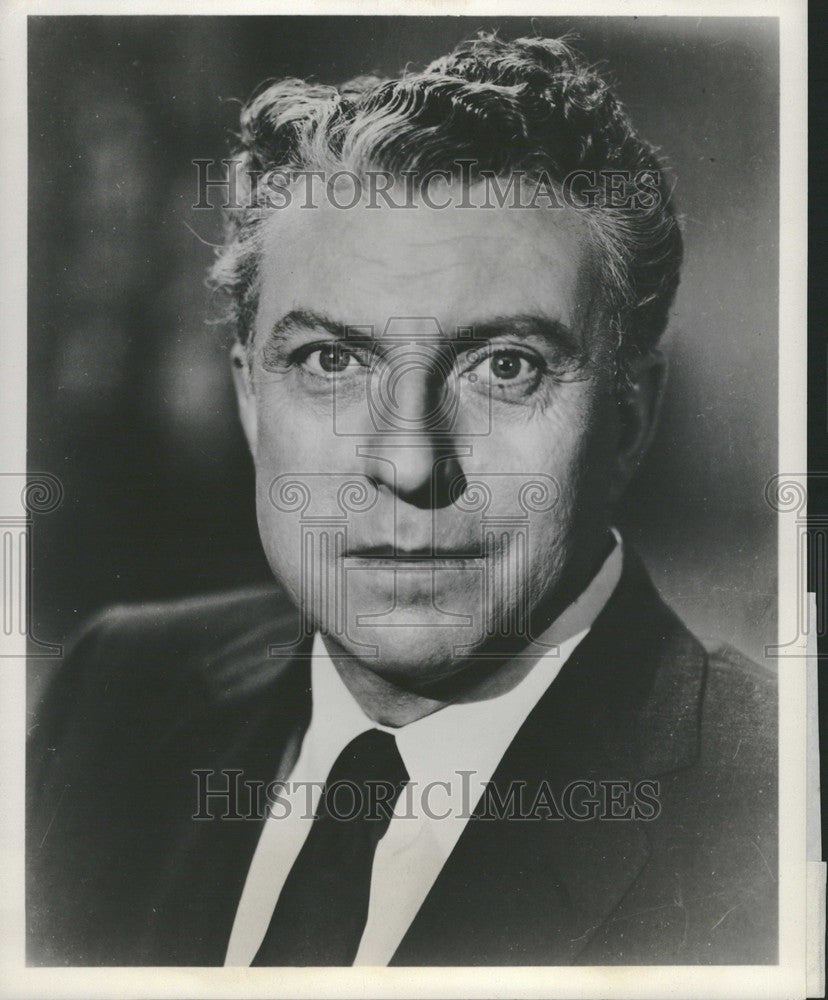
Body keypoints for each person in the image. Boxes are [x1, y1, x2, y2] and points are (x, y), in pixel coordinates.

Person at [27, 32, 777, 967]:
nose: (410, 463)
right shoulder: (118, 693)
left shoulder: (775, 807)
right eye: (331, 362)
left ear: (630, 419)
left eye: (506, 367)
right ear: (251, 400)